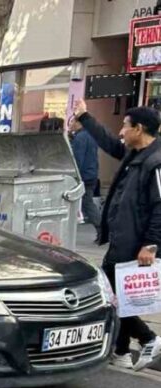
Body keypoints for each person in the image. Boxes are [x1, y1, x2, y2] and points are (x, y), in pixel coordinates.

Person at [74, 98, 161, 371]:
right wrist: (85, 117)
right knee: (119, 295)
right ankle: (121, 351)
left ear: (139, 129)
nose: (121, 132)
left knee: (111, 295)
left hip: (136, 243)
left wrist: (151, 244)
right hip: (123, 239)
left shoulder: (156, 162)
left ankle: (148, 338)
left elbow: (160, 206)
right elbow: (109, 142)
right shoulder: (134, 154)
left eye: (125, 126)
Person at [69, 116, 101, 241]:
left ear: (79, 123)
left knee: (87, 203)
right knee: (86, 203)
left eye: (72, 121)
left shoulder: (80, 137)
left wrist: (75, 176)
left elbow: (77, 159)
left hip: (84, 176)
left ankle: (102, 228)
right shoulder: (90, 135)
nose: (70, 124)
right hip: (91, 174)